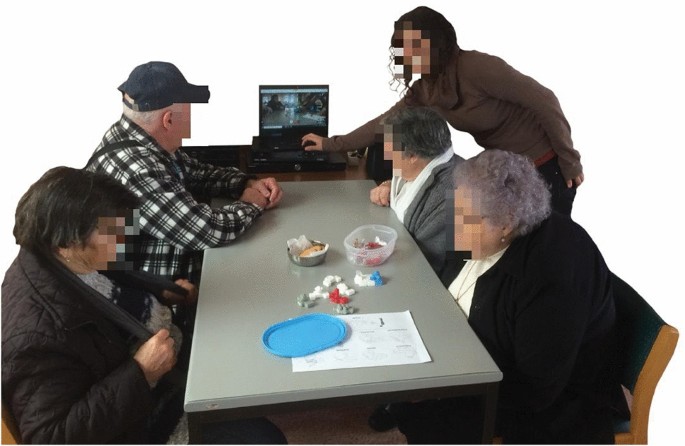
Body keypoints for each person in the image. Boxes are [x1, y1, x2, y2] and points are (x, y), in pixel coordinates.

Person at [1, 167, 287, 444]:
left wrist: (163, 291)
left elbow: (112, 291)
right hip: (140, 422)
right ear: (67, 243)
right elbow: (49, 437)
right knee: (263, 439)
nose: (122, 238)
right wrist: (140, 373)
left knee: (239, 342)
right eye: (111, 231)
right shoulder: (34, 334)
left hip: (160, 367)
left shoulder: (60, 257)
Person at [375, 150, 627, 443]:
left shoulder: (552, 273)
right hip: (476, 358)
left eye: (464, 218)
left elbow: (535, 390)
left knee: (431, 419)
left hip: (549, 403)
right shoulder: (480, 229)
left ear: (506, 223)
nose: (453, 225)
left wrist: (442, 388)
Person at [302, 6, 582, 216]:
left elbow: (545, 100)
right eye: (403, 47)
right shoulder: (426, 88)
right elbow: (385, 123)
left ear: (437, 42)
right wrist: (331, 144)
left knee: (556, 250)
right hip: (509, 171)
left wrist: (570, 160)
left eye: (416, 45)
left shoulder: (477, 67)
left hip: (547, 165)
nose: (408, 54)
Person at [85, 61, 283, 282]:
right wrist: (251, 204)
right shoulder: (137, 169)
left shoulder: (137, 137)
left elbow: (194, 173)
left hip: (176, 257)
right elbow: (208, 231)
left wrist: (244, 183)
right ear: (168, 120)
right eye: (189, 112)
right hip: (162, 289)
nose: (191, 120)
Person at [369, 107, 463, 273]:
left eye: (390, 148)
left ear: (412, 155)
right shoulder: (422, 164)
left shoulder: (454, 197)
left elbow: (422, 264)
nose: (386, 154)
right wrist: (388, 185)